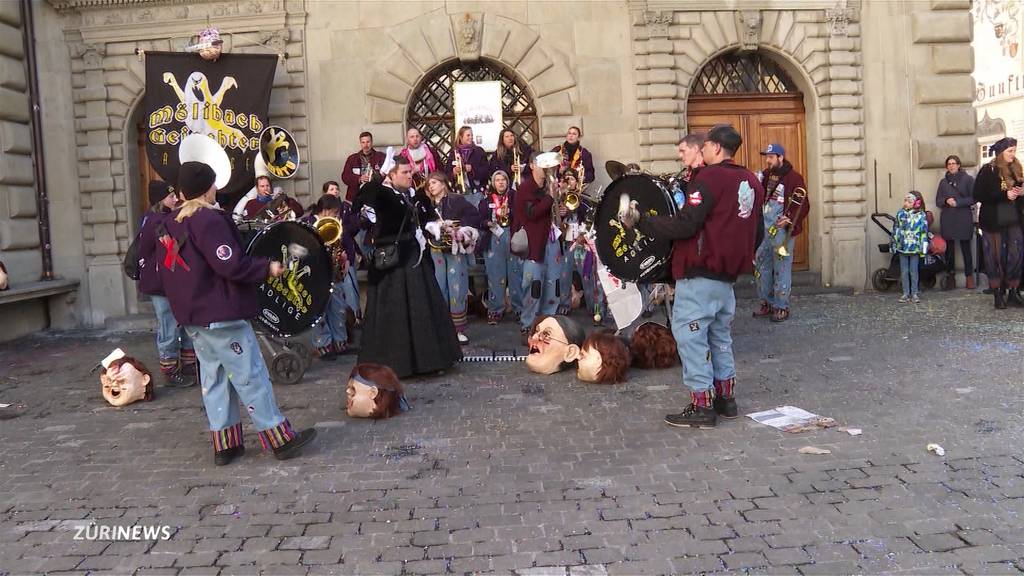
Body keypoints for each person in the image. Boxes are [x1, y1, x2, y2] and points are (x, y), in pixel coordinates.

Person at [159, 161, 317, 465]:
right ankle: (278, 437)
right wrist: (267, 268)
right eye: (213, 184)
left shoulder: (172, 222)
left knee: (214, 378)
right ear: (207, 188)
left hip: (193, 315)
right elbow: (228, 263)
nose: (216, 188)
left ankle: (225, 444)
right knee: (250, 375)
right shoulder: (207, 220)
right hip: (220, 312)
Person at [620, 124, 763, 429]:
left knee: (690, 337)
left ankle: (702, 406)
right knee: (720, 337)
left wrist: (643, 222)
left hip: (700, 275)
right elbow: (758, 232)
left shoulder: (709, 177)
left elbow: (686, 225)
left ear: (713, 148)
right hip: (727, 280)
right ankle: (727, 400)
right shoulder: (751, 180)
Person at [353, 156, 462, 377]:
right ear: (392, 175)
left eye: (410, 172)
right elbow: (362, 197)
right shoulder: (384, 194)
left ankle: (427, 360)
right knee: (395, 314)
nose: (409, 176)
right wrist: (379, 175)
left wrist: (437, 226)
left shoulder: (410, 196)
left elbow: (422, 219)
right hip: (392, 266)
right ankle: (398, 363)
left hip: (413, 259)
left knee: (420, 311)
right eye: (404, 172)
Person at [136, 181, 196, 388]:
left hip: (169, 281)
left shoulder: (159, 219)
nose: (175, 199)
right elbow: (171, 251)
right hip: (159, 283)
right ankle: (170, 369)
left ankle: (189, 364)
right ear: (160, 200)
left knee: (184, 321)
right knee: (169, 324)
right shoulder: (157, 222)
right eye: (170, 197)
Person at [753, 143, 809, 322]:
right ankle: (766, 303)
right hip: (764, 231)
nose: (767, 160)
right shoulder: (765, 176)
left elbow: (804, 203)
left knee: (782, 268)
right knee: (762, 267)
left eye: (771, 156)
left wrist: (790, 218)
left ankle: (781, 306)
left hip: (781, 232)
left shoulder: (794, 178)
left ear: (780, 157)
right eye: (767, 157)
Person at [423, 171, 481, 344]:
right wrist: (433, 226)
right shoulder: (428, 204)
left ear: (443, 183)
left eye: (434, 183)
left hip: (455, 250)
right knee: (440, 286)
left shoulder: (457, 200)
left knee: (457, 286)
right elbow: (422, 223)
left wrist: (460, 229)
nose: (431, 187)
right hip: (436, 250)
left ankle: (458, 330)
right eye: (429, 184)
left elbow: (473, 216)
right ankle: (442, 328)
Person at [513, 152, 564, 340]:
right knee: (533, 286)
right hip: (534, 244)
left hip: (552, 241)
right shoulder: (525, 188)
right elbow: (532, 213)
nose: (548, 169)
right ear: (532, 165)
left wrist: (560, 209)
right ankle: (528, 326)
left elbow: (551, 212)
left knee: (553, 283)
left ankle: (548, 324)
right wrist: (550, 198)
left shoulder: (548, 188)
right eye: (543, 164)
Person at [973, 137, 1023, 309]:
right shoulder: (989, 170)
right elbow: (978, 194)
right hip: (993, 218)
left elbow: (1018, 192)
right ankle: (998, 293)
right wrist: (1004, 195)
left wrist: (1021, 192)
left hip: (1013, 217)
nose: (1013, 154)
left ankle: (1013, 291)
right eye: (1010, 151)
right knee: (995, 256)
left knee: (1016, 253)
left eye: (1014, 150)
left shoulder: (1016, 168)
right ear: (1001, 152)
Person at [306, 194, 354, 360]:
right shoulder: (308, 224)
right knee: (320, 313)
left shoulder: (336, 224)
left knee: (337, 308)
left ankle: (340, 343)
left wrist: (344, 258)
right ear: (325, 211)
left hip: (333, 273)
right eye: (335, 213)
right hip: (316, 274)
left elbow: (343, 243)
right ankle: (323, 346)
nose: (337, 217)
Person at [477, 170, 519, 325]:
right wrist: (486, 223)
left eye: (503, 180)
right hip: (493, 237)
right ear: (493, 183)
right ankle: (495, 310)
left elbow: (523, 215)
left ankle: (519, 309)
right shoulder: (486, 199)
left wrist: (511, 212)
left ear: (508, 182)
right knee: (495, 276)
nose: (501, 183)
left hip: (512, 235)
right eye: (497, 180)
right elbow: (479, 219)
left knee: (516, 274)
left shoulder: (515, 197)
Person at [935, 155, 976, 290]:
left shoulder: (968, 179)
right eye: (949, 164)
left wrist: (958, 202)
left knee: (966, 249)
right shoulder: (943, 182)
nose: (952, 166)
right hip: (948, 219)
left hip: (963, 218)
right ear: (947, 166)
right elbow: (938, 200)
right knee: (949, 251)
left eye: (954, 163)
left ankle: (969, 277)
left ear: (959, 165)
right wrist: (946, 201)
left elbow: (974, 198)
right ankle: (950, 276)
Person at [892, 191, 929, 304]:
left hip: (915, 248)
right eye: (905, 200)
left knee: (914, 271)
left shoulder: (921, 216)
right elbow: (896, 229)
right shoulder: (900, 214)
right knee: (904, 271)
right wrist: (894, 243)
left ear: (916, 203)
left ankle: (914, 293)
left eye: (909, 201)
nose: (906, 203)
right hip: (903, 247)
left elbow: (924, 232)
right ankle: (905, 293)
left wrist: (924, 248)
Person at [447, 125, 490, 201]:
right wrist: (454, 172)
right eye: (468, 135)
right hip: (459, 192)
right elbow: (447, 172)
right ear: (461, 137)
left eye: (472, 135)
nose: (471, 137)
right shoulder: (453, 152)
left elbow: (486, 171)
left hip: (476, 191)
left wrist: (472, 169)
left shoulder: (479, 151)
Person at [341, 131, 386, 203]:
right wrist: (358, 178)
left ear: (372, 142)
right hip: (355, 197)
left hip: (376, 197)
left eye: (368, 142)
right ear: (360, 143)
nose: (366, 145)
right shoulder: (352, 159)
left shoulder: (381, 157)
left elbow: (387, 175)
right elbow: (345, 176)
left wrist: (376, 176)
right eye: (363, 142)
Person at [400, 127, 441, 193]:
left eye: (417, 136)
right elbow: (400, 178)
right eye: (412, 137)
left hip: (432, 188)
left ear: (421, 137)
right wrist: (413, 172)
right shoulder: (403, 156)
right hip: (413, 191)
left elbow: (440, 170)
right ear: (407, 139)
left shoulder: (431, 152)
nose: (415, 139)